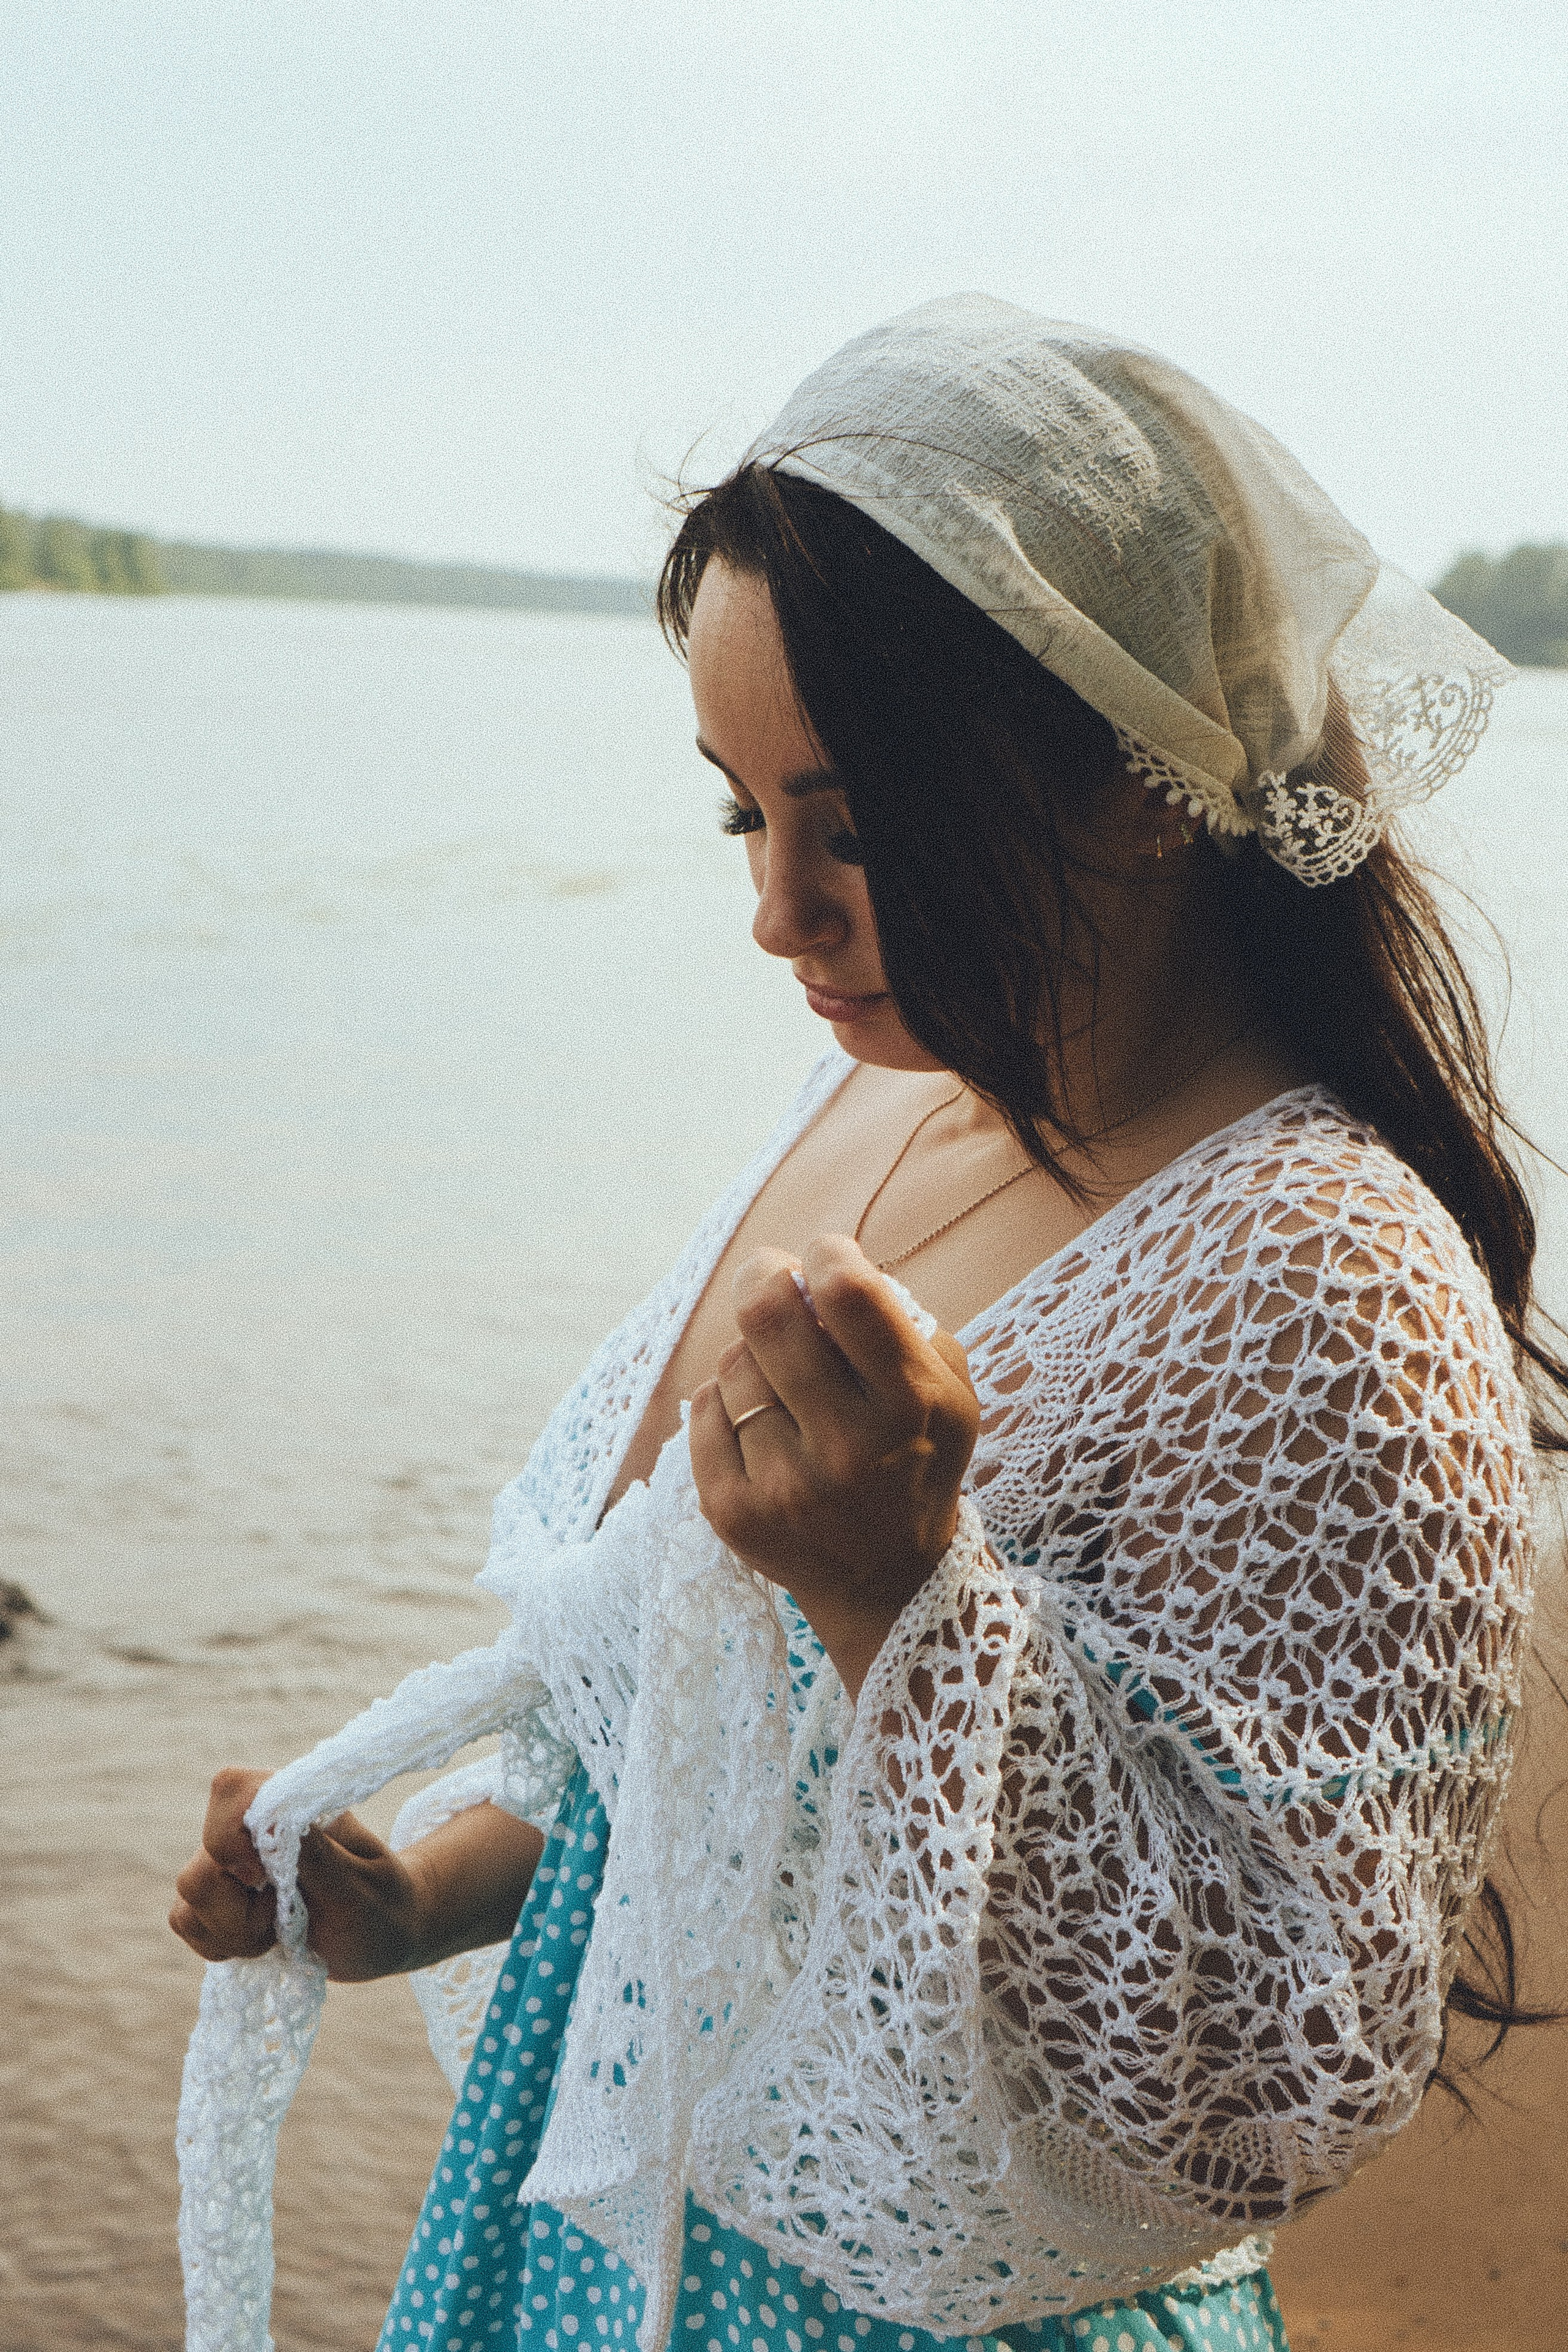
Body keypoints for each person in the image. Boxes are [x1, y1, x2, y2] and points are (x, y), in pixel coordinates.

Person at [170, 296, 1550, 2352]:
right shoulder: (895, 1091)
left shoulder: (1328, 1280)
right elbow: (690, 1760)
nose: (778, 911)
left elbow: (1274, 2072)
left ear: (1153, 777)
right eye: (743, 811)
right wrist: (423, 1894)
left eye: (862, 825)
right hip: (588, 2234)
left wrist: (907, 1594)